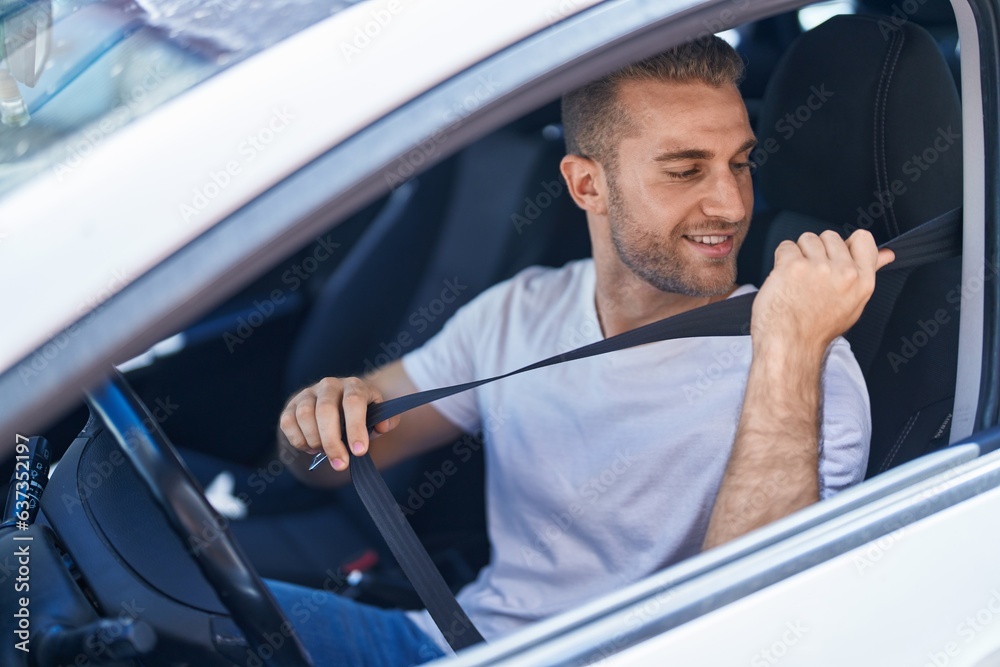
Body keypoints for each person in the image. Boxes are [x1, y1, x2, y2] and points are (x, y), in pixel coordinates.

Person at [267, 36, 894, 666]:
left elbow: (749, 632)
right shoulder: (519, 310)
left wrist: (788, 349)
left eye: (740, 162)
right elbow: (326, 468)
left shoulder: (806, 366)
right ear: (586, 184)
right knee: (210, 611)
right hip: (449, 643)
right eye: (684, 170)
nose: (730, 204)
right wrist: (315, 420)